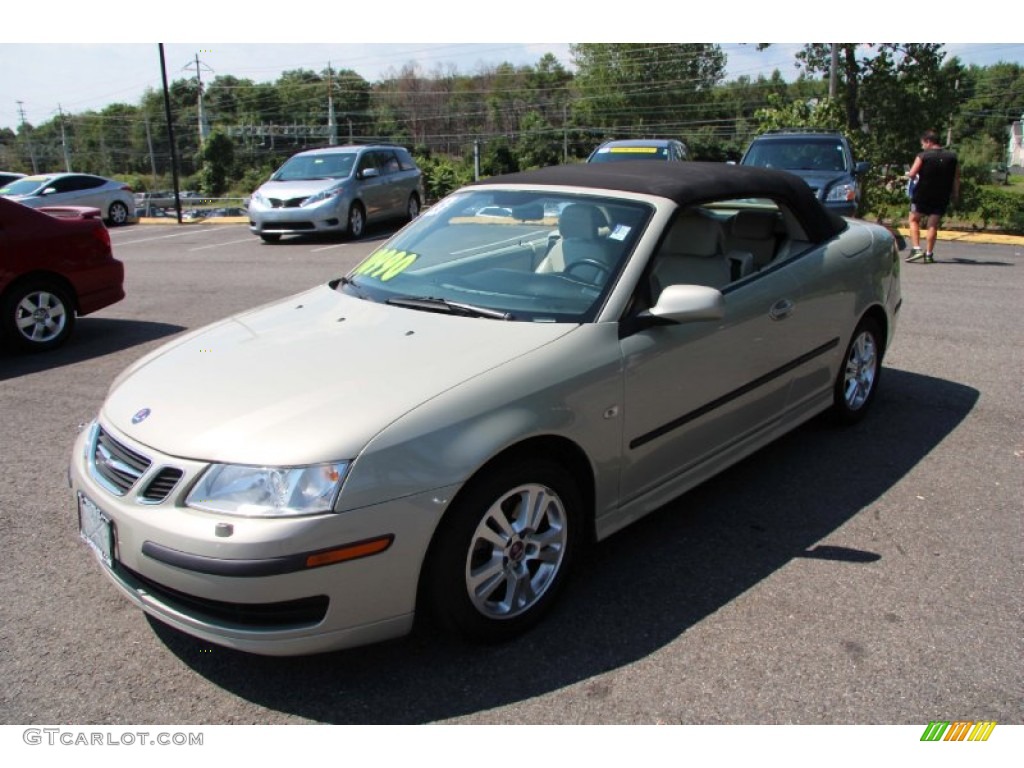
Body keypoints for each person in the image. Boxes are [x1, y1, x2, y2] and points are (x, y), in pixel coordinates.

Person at [906, 129, 960, 263]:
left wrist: (908, 175)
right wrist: (955, 194)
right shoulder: (952, 157)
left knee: (914, 219)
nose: (922, 146)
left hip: (922, 194)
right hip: (942, 194)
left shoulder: (923, 156)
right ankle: (929, 254)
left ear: (928, 142)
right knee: (933, 225)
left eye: (923, 144)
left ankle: (917, 248)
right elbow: (956, 178)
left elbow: (912, 173)